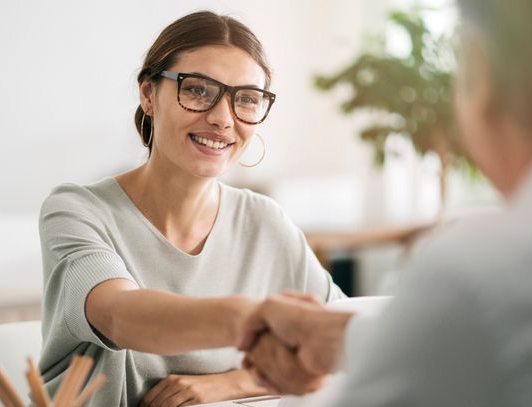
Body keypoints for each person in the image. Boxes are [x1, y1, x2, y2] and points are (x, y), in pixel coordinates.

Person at [238, 0, 532, 406]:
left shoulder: (480, 274)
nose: (224, 118)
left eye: (247, 98)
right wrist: (345, 337)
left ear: (479, 70)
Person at [37, 11, 345, 407]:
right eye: (199, 90)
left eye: (247, 99)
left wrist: (236, 382)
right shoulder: (78, 210)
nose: (222, 119)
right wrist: (252, 320)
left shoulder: (265, 221)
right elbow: (120, 316)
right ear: (148, 94)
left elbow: (336, 344)